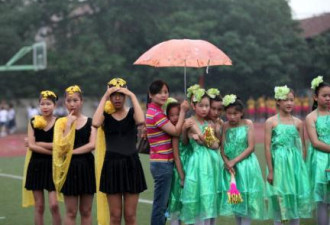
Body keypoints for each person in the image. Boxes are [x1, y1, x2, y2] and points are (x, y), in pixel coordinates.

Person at [92, 78, 147, 225]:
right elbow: (95, 123)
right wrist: (104, 97)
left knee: (130, 216)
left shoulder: (132, 112)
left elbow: (141, 121)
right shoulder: (105, 115)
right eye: (114, 94)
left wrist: (132, 96)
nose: (117, 98)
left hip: (131, 164)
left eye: (121, 94)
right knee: (115, 216)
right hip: (112, 166)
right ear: (109, 96)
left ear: (125, 96)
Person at [264, 86, 311, 225]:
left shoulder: (298, 122)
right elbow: (267, 147)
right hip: (278, 165)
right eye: (285, 100)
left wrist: (300, 167)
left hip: (294, 166)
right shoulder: (271, 122)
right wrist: (271, 170)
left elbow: (302, 146)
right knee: (279, 199)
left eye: (291, 100)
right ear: (278, 101)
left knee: (294, 199)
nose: (289, 103)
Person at [146, 80, 189, 225]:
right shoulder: (155, 114)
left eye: (165, 92)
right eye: (159, 92)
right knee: (160, 205)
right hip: (162, 164)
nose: (163, 95)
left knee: (162, 204)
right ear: (151, 95)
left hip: (161, 163)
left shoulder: (157, 111)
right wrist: (182, 111)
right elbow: (176, 131)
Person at [53, 85, 96, 225]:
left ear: (81, 101)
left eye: (75, 100)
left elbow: (92, 145)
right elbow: (60, 148)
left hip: (86, 167)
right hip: (69, 169)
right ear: (65, 102)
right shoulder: (60, 122)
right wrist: (68, 126)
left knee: (86, 211)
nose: (72, 104)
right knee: (71, 212)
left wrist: (72, 152)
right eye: (69, 101)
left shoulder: (91, 122)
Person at [220, 94, 265, 225]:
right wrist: (227, 162)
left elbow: (251, 147)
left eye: (235, 113)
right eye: (229, 113)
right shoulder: (225, 126)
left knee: (246, 201)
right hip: (231, 169)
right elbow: (222, 148)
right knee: (236, 202)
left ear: (241, 113)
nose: (232, 117)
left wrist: (234, 161)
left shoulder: (248, 123)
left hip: (246, 167)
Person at [180, 86, 222, 225]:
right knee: (200, 196)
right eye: (201, 106)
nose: (204, 109)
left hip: (213, 163)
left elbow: (216, 144)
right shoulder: (190, 122)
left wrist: (210, 135)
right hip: (198, 163)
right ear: (193, 105)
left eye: (207, 106)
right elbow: (186, 143)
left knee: (211, 197)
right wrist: (191, 134)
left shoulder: (209, 122)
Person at [23, 90, 61, 225]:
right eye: (42, 104)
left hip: (53, 167)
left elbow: (59, 144)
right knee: (39, 206)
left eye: (48, 104)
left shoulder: (60, 122)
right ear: (39, 105)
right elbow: (31, 147)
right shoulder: (33, 121)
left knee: (54, 205)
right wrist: (51, 151)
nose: (45, 107)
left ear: (55, 105)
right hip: (36, 165)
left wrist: (36, 143)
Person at [305, 76, 330, 225]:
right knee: (321, 199)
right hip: (320, 160)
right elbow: (315, 142)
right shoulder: (311, 117)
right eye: (324, 95)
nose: (328, 99)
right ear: (315, 97)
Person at [166, 99, 193, 225]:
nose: (175, 117)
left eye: (178, 114)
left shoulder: (187, 125)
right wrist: (182, 176)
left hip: (191, 167)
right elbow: (176, 156)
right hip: (179, 169)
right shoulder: (173, 131)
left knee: (189, 203)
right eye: (171, 115)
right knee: (176, 202)